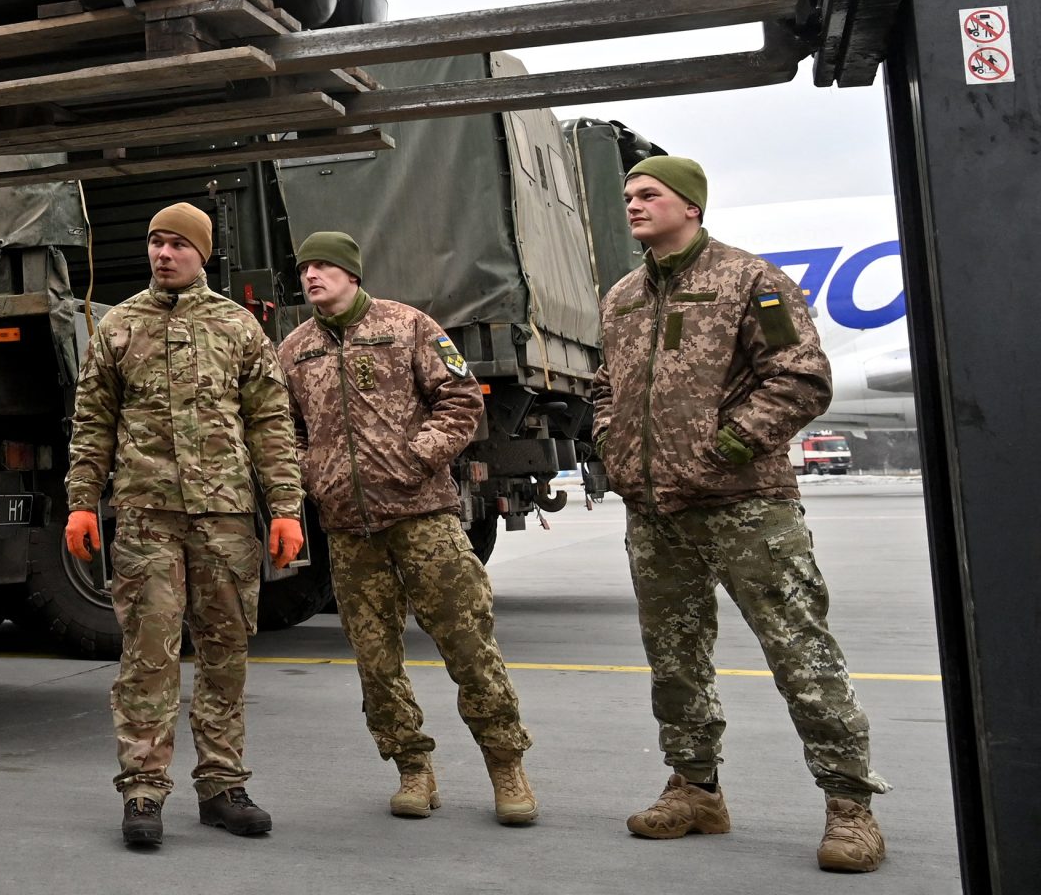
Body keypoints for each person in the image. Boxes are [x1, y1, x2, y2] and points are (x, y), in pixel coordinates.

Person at [591, 156, 887, 874]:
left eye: (648, 194)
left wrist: (722, 447)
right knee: (675, 660)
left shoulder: (749, 280)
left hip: (745, 504)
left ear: (689, 206)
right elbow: (605, 386)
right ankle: (695, 789)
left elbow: (801, 376)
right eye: (628, 195)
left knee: (800, 652)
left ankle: (851, 809)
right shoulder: (624, 295)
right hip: (656, 511)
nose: (633, 204)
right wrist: (611, 443)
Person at [64, 201, 305, 849]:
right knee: (148, 658)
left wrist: (286, 508)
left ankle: (223, 785)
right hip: (146, 518)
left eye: (176, 244)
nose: (162, 253)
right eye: (155, 243)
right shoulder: (118, 328)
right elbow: (91, 426)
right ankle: (142, 791)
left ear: (202, 253)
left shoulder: (238, 328)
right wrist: (82, 500)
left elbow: (271, 423)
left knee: (225, 655)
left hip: (224, 518)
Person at [275, 231, 537, 824]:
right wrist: (311, 475)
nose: (312, 275)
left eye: (324, 266)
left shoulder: (408, 326)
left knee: (468, 642)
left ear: (352, 274)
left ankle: (506, 766)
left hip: (423, 519)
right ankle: (412, 768)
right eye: (305, 268)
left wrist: (418, 455)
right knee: (375, 659)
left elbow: (462, 397)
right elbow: (281, 430)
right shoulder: (293, 350)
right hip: (348, 528)